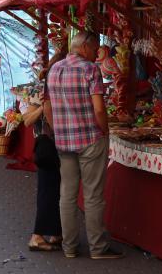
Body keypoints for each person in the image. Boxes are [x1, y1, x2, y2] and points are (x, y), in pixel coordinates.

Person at [45, 33, 122, 261]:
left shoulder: (54, 69)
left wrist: (57, 129)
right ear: (85, 47)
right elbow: (99, 108)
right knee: (93, 195)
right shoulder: (89, 69)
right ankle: (98, 247)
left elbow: (46, 106)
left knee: (67, 195)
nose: (97, 54)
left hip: (64, 141)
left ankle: (69, 247)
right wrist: (105, 130)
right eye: (96, 49)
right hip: (90, 138)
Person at [27, 48, 66, 251]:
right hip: (48, 145)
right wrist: (43, 108)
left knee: (58, 190)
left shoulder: (59, 86)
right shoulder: (40, 90)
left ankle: (56, 233)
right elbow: (27, 120)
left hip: (57, 144)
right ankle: (37, 236)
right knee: (48, 190)